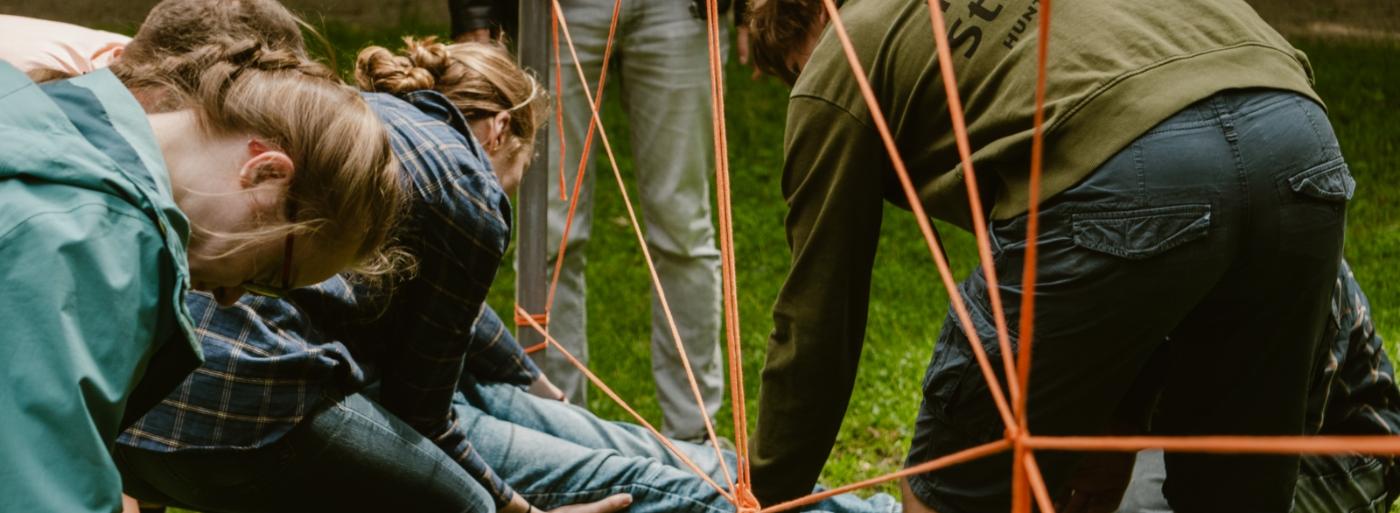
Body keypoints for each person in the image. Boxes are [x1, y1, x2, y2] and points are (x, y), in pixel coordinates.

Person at [742, 0, 1355, 511]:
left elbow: (818, 323)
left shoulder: (837, 59)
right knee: (1233, 494)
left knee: (953, 490)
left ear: (802, 30)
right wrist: (1116, 418)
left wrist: (767, 496)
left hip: (1123, 170)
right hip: (1301, 144)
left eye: (794, 70)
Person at [0, 34, 403, 513]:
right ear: (265, 174)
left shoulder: (42, 104)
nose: (233, 298)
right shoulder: (103, 243)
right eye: (268, 274)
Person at [449, 0, 742, 442]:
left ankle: (695, 434)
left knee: (684, 229)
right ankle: (562, 434)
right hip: (556, 13)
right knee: (548, 234)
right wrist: (475, 15)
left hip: (680, 12)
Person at [1116, 261, 1400, 513]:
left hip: (1347, 452)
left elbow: (1264, 464)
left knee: (1139, 502)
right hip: (1211, 440)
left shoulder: (1294, 260)